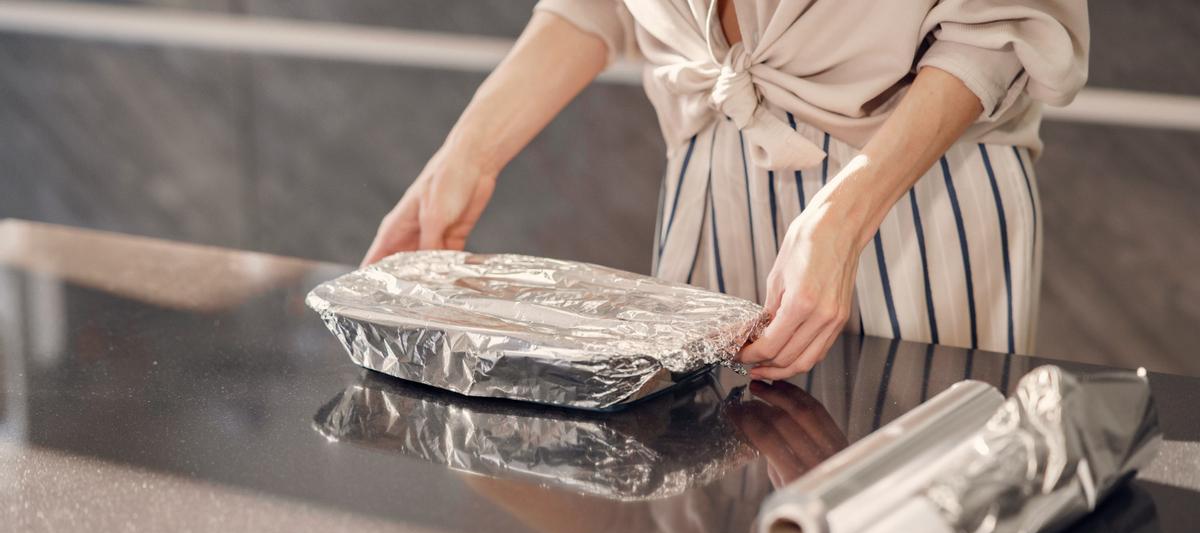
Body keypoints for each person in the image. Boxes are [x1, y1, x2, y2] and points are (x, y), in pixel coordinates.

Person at [362, 1, 1088, 380]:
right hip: (709, 179)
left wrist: (844, 214)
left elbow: (996, 26)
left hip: (912, 192)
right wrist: (464, 158)